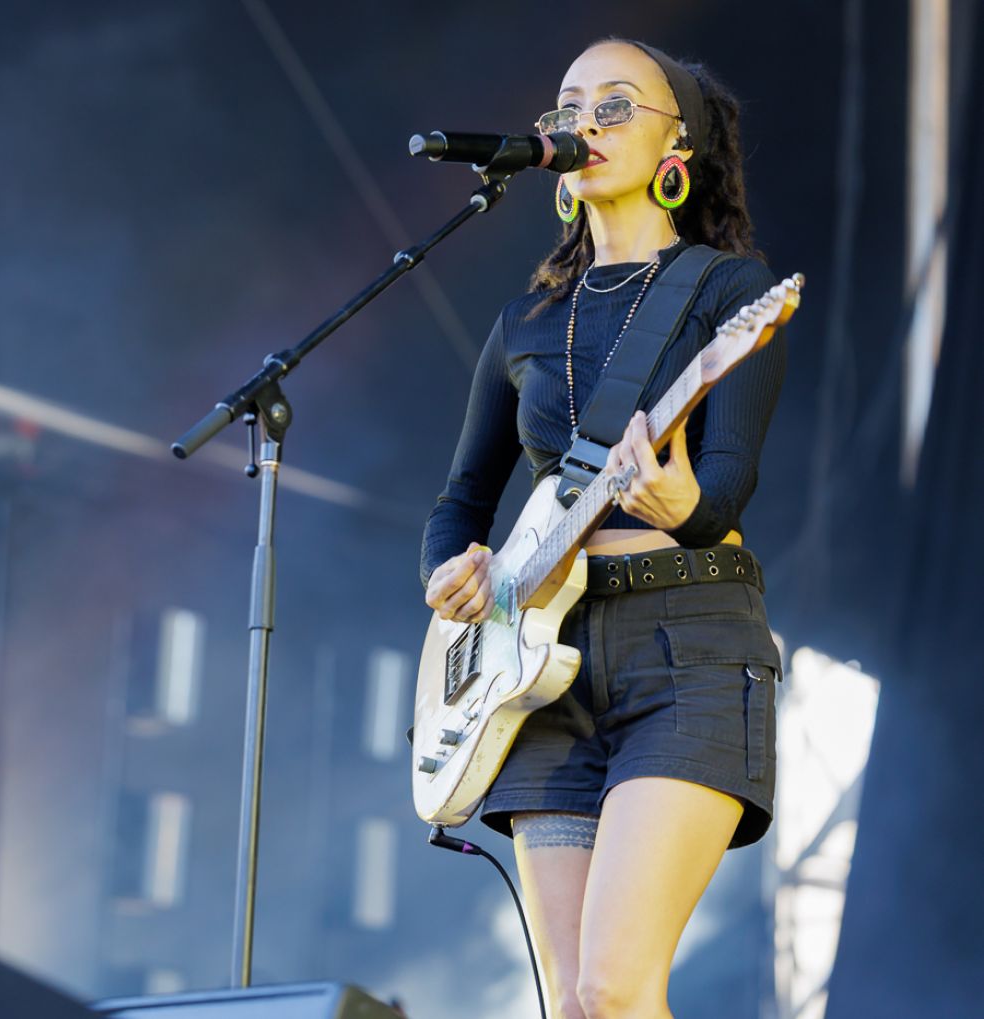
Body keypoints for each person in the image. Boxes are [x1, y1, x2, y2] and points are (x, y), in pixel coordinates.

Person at [420, 40, 786, 1019]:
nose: (583, 122)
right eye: (568, 106)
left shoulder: (729, 294)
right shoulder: (526, 320)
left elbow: (726, 485)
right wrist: (448, 575)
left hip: (690, 649)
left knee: (617, 989)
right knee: (572, 1008)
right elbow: (461, 501)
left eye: (615, 104)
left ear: (681, 146)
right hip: (542, 668)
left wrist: (682, 507)